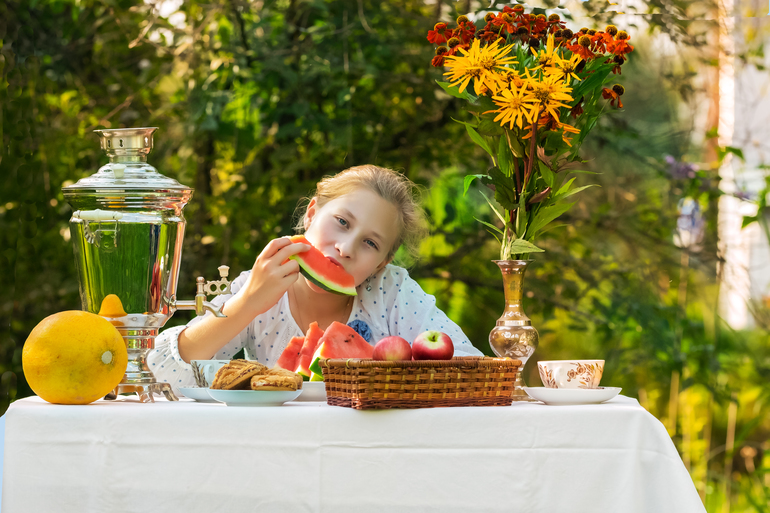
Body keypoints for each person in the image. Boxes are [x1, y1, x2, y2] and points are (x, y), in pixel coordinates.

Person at [148, 164, 482, 392]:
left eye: (370, 243)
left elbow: (473, 370)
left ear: (382, 263)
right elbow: (160, 372)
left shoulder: (391, 291)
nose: (345, 248)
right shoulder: (264, 280)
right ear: (311, 213)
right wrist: (247, 303)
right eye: (342, 221)